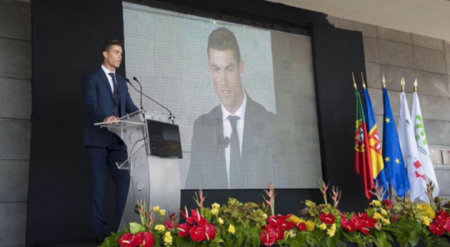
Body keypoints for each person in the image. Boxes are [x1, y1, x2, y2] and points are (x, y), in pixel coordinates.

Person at [186, 27, 275, 189]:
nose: (223, 81)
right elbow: (193, 189)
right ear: (209, 70)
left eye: (229, 69)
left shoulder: (270, 123)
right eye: (216, 69)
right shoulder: (202, 127)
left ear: (241, 68)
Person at [82, 40, 139, 244]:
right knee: (99, 184)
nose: (119, 56)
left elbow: (130, 107)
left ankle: (124, 230)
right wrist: (105, 117)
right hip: (97, 139)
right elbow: (90, 103)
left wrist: (143, 116)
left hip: (118, 141)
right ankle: (101, 232)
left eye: (121, 53)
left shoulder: (122, 82)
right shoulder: (92, 77)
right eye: (116, 52)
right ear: (105, 54)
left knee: (124, 183)